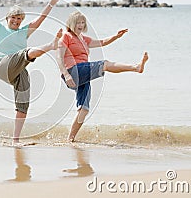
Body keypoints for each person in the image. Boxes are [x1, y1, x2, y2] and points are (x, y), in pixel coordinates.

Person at [0, 0, 65, 144]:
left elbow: (40, 19)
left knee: (24, 104)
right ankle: (51, 45)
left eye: (19, 19)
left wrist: (52, 2)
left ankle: (15, 139)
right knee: (26, 53)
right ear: (7, 18)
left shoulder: (24, 31)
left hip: (18, 68)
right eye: (13, 18)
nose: (16, 21)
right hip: (2, 65)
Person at [56, 11, 149, 142]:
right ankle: (136, 67)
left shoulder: (83, 39)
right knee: (104, 64)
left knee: (84, 109)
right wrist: (66, 75)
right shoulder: (66, 37)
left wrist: (116, 36)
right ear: (71, 23)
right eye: (78, 22)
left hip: (83, 74)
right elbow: (59, 57)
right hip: (73, 71)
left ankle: (70, 139)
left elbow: (102, 42)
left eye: (83, 22)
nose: (81, 25)